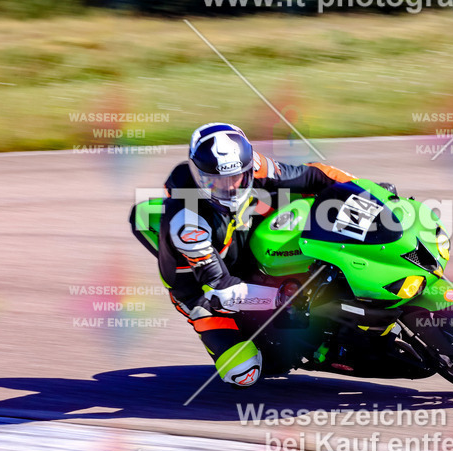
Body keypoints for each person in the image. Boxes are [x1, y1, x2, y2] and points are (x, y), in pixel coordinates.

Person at [144, 122, 356, 387]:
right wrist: (283, 296)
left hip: (240, 237)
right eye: (216, 182)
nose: (230, 187)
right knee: (244, 373)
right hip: (201, 289)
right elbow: (220, 288)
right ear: (198, 176)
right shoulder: (186, 222)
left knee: (302, 197)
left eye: (236, 177)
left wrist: (363, 190)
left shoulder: (254, 165)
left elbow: (311, 174)